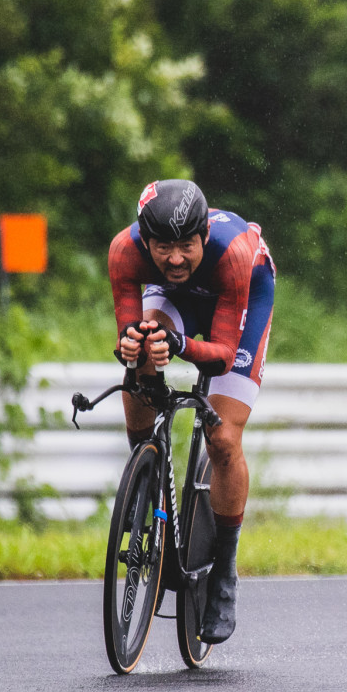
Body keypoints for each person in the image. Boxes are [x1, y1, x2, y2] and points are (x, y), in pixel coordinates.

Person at [108, 178, 275, 645]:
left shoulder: (235, 252)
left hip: (240, 298)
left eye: (186, 246)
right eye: (162, 247)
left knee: (222, 438)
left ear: (203, 236)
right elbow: (128, 334)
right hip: (176, 302)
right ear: (145, 240)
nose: (175, 258)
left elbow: (222, 354)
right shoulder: (125, 251)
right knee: (143, 345)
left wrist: (179, 345)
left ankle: (224, 570)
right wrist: (133, 344)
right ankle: (145, 479)